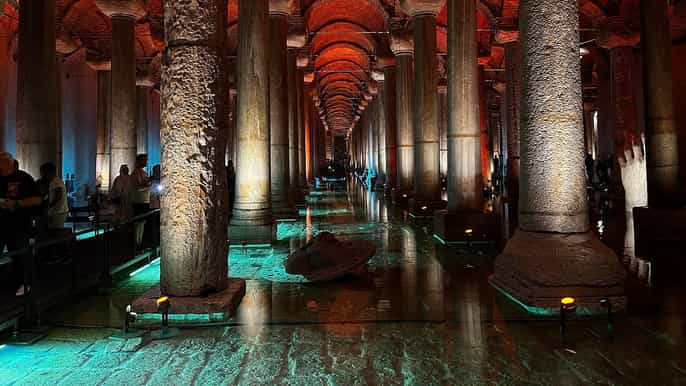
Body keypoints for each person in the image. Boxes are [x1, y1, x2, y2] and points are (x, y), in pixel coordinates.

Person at [0, 152, 42, 296]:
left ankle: (27, 283)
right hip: (1, 224)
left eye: (3, 162)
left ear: (9, 164)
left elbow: (38, 199)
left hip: (19, 225)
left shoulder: (24, 178)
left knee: (22, 255)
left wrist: (17, 203)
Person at [39, 162, 69, 230]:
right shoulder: (53, 181)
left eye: (42, 172)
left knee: (56, 231)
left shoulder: (56, 181)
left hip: (59, 212)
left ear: (48, 172)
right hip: (57, 212)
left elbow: (59, 195)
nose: (41, 174)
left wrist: (50, 205)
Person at [131, 154, 152, 247]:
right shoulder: (136, 173)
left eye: (146, 160)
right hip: (139, 201)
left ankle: (139, 243)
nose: (146, 162)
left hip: (144, 200)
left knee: (142, 223)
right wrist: (148, 185)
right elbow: (137, 188)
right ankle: (136, 243)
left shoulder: (143, 172)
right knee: (138, 224)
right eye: (144, 160)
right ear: (138, 161)